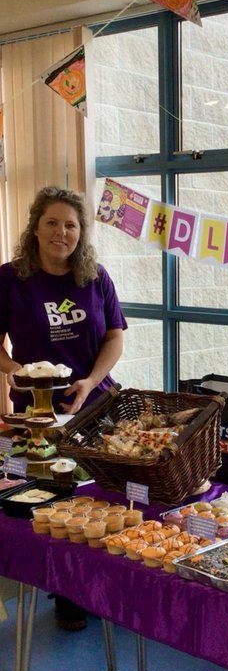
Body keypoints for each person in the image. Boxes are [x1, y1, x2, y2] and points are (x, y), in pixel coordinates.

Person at [0, 185, 128, 630]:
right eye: (52, 223)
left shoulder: (95, 277)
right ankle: (68, 592)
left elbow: (115, 336)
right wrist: (15, 370)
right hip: (37, 415)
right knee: (52, 503)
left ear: (81, 232)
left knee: (99, 499)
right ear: (35, 228)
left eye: (71, 225)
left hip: (95, 408)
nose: (61, 232)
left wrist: (91, 381)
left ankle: (106, 587)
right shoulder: (10, 278)